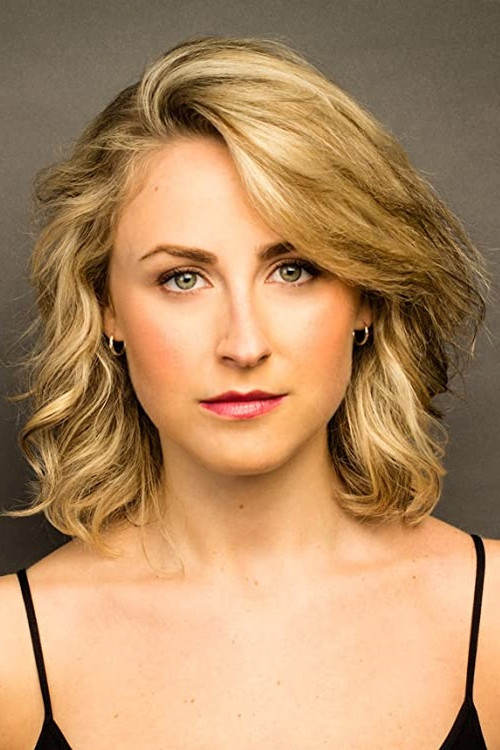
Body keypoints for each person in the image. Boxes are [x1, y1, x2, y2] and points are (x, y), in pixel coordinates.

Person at [0, 34, 498, 750]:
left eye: (294, 269)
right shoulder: (14, 652)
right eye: (182, 278)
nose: (243, 343)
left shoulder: (492, 620)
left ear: (366, 295)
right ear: (107, 309)